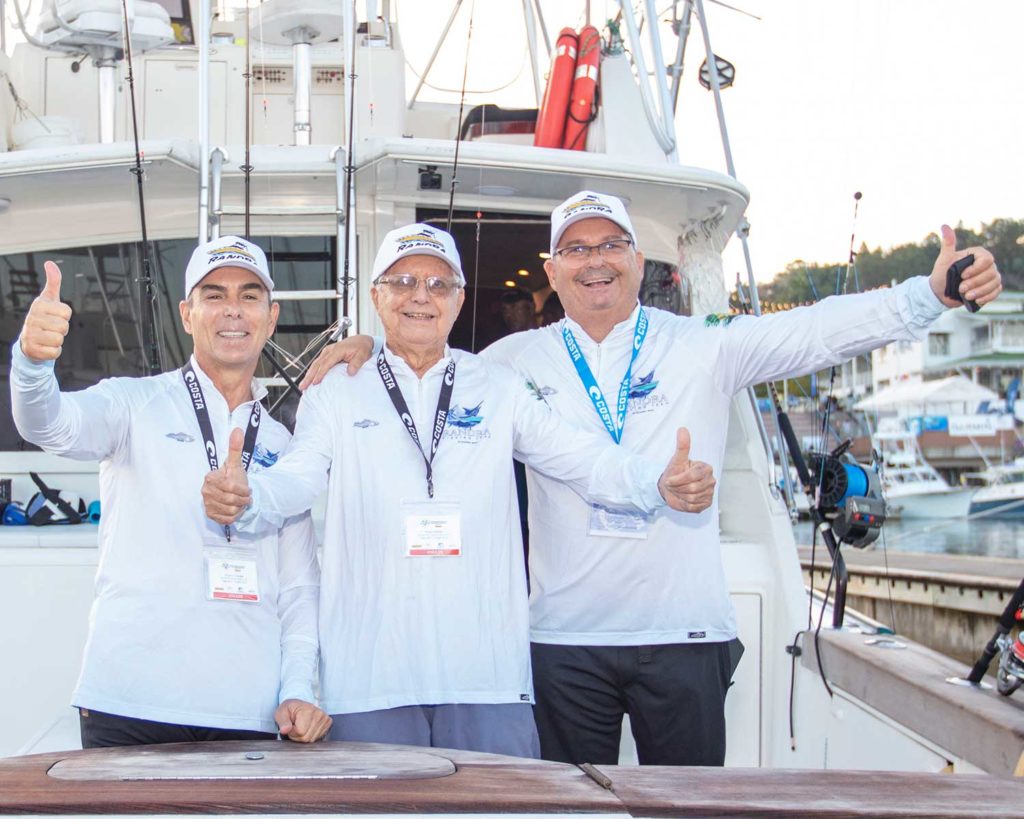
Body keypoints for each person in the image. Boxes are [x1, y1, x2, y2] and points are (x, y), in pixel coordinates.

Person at [299, 191, 1002, 767]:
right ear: (551, 269)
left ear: (638, 260)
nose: (595, 261)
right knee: (570, 815)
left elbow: (817, 332)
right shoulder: (511, 362)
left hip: (685, 634)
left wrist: (928, 293)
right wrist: (362, 347)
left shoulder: (704, 344)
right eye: (576, 248)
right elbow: (423, 355)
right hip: (562, 643)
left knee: (691, 811)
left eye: (611, 246)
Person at [201, 223, 717, 758]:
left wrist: (653, 482)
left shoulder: (497, 384)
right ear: (376, 295)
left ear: (460, 299)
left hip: (486, 677)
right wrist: (252, 496)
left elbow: (580, 457)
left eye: (438, 284)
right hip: (370, 678)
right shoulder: (336, 388)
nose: (420, 296)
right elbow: (300, 476)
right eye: (402, 282)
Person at [11, 236, 332, 748]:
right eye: (214, 295)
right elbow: (50, 426)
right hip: (128, 698)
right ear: (187, 314)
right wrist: (32, 364)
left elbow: (298, 592)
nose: (232, 310)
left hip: (246, 708)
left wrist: (297, 689)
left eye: (249, 296)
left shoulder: (283, 447)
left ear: (270, 319)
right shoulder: (132, 403)